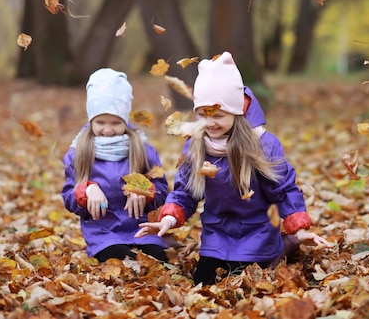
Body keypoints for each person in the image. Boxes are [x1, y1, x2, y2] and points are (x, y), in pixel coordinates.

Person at [136, 52, 331, 284]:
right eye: (202, 115)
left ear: (236, 112)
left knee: (242, 280)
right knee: (206, 281)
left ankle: (284, 246)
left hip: (257, 230)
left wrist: (298, 229)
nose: (210, 123)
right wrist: (168, 218)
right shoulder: (195, 144)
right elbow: (185, 192)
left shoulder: (262, 145)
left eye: (218, 115)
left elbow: (284, 190)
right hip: (216, 232)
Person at [62, 68, 170, 263]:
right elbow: (69, 199)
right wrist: (87, 191)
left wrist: (144, 189)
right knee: (121, 259)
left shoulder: (142, 149)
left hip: (142, 229)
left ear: (126, 121)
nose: (108, 129)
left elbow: (162, 191)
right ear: (91, 119)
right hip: (104, 233)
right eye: (101, 122)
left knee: (156, 260)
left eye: (116, 122)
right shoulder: (79, 152)